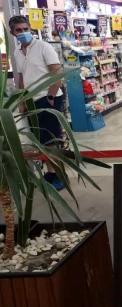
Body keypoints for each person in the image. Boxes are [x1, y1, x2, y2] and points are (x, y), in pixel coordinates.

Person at [10, 15, 65, 190]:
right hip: (32, 100)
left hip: (48, 99)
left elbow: (57, 73)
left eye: (25, 29)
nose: (23, 32)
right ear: (12, 32)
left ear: (31, 29)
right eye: (18, 30)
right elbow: (21, 78)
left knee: (50, 140)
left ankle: (59, 176)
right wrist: (22, 100)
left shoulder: (43, 47)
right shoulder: (18, 52)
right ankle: (50, 173)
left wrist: (50, 96)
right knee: (40, 140)